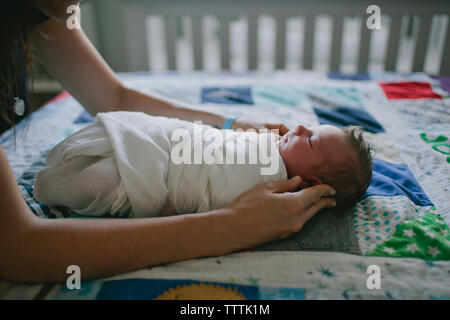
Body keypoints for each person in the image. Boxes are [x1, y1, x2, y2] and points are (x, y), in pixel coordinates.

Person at [0, 1, 337, 283]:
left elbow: (113, 97)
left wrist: (229, 123)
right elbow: (15, 248)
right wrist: (232, 226)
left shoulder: (38, 10)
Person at [33, 112, 372, 218]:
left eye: (310, 140)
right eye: (308, 126)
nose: (298, 128)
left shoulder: (274, 191)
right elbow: (212, 136)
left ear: (311, 182)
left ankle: (53, 185)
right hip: (170, 139)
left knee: (92, 184)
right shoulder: (270, 141)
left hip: (163, 177)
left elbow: (215, 203)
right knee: (111, 139)